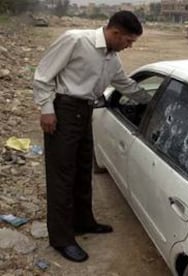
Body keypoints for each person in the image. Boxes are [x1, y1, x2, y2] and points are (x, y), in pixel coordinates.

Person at [33, 11, 144, 262]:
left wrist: (150, 100)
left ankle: (83, 221)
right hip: (63, 110)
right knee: (62, 175)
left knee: (83, 171)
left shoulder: (111, 57)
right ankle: (61, 238)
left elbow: (124, 84)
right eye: (128, 40)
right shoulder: (75, 40)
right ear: (115, 33)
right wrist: (46, 109)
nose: (129, 46)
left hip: (85, 112)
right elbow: (43, 74)